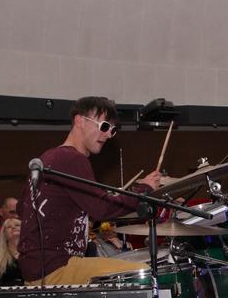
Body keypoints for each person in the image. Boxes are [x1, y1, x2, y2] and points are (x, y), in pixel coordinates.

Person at [17, 96, 162, 286]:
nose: (108, 135)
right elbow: (102, 208)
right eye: (104, 126)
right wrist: (144, 190)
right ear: (79, 121)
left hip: (37, 270)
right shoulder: (71, 158)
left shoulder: (48, 158)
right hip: (56, 268)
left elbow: (22, 208)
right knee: (142, 275)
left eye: (112, 130)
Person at [0, 218, 24, 286]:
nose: (13, 227)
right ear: (4, 234)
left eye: (17, 225)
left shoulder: (34, 251)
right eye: (9, 227)